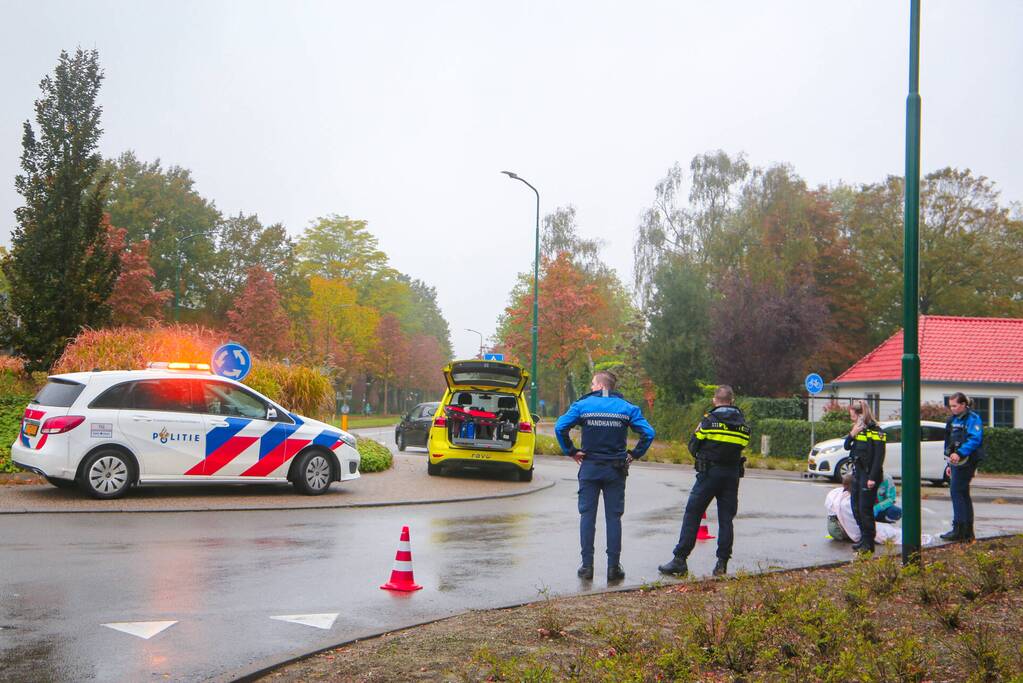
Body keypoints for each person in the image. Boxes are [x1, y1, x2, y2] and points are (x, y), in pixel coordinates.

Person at [555, 370, 655, 583]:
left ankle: (587, 567)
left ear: (600, 386)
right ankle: (613, 568)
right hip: (615, 469)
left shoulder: (582, 406)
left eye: (593, 384)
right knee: (613, 518)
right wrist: (634, 454)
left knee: (587, 517)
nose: (591, 388)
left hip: (590, 466)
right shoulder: (627, 408)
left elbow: (560, 427)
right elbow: (649, 433)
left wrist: (571, 451)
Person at [658, 385, 750, 578]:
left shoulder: (709, 421)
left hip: (709, 473)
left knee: (693, 513)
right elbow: (742, 445)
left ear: (715, 400)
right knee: (726, 520)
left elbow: (693, 445)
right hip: (731, 475)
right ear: (732, 401)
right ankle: (722, 563)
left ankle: (680, 559)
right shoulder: (743, 424)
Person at [826, 474, 931, 547]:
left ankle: (882, 519)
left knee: (895, 512)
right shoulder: (848, 499)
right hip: (842, 529)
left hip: (874, 509)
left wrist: (877, 508)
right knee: (884, 530)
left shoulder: (885, 480)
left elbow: (891, 498)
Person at [843, 400, 886, 554]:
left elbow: (879, 457)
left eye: (853, 416)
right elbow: (847, 446)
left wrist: (872, 478)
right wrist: (852, 434)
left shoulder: (877, 431)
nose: (851, 419)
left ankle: (869, 543)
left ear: (861, 415)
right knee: (856, 507)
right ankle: (863, 539)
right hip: (858, 473)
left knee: (865, 509)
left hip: (869, 475)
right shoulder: (857, 430)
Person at [941, 392, 985, 542]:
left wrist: (960, 453)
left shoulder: (973, 419)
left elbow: (975, 439)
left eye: (954, 405)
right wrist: (949, 462)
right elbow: (950, 443)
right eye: (950, 406)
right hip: (956, 462)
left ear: (963, 405)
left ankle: (960, 529)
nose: (952, 408)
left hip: (967, 461)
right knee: (962, 493)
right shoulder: (952, 420)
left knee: (957, 492)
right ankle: (966, 531)